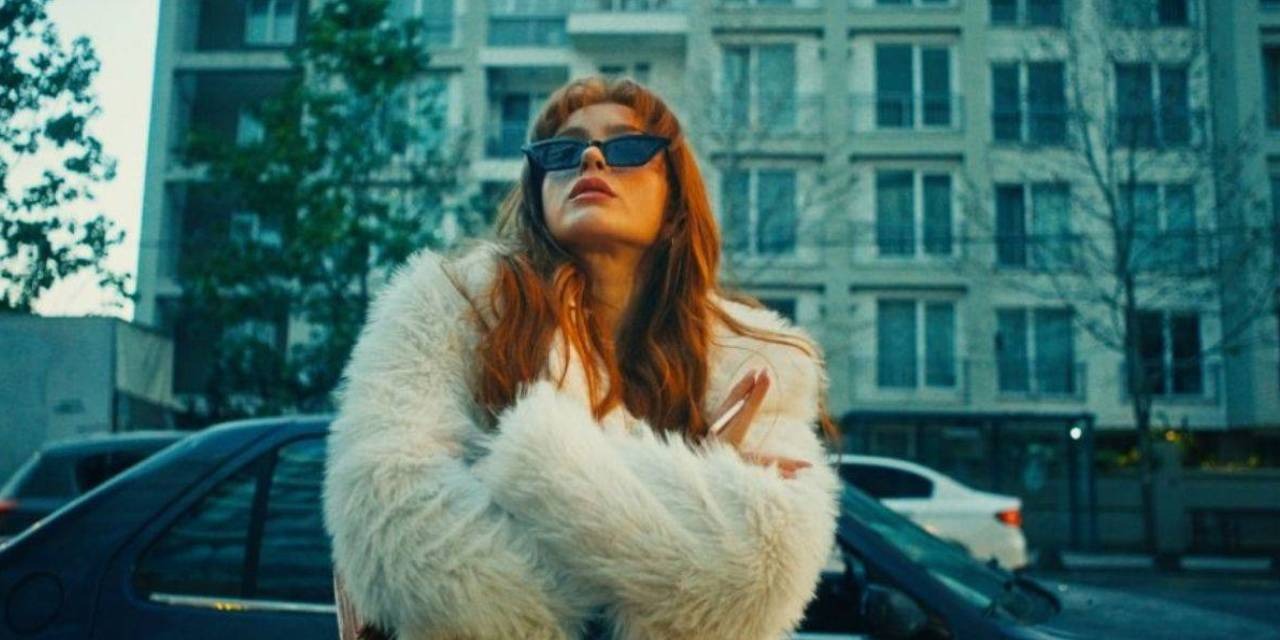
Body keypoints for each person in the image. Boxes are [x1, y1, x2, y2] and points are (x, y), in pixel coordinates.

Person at [322, 75, 842, 640]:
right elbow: (395, 518)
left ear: (674, 199)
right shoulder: (450, 308)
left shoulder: (752, 358)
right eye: (562, 152)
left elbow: (764, 568)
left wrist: (541, 471)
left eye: (627, 147)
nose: (591, 157)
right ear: (539, 191)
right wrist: (694, 482)